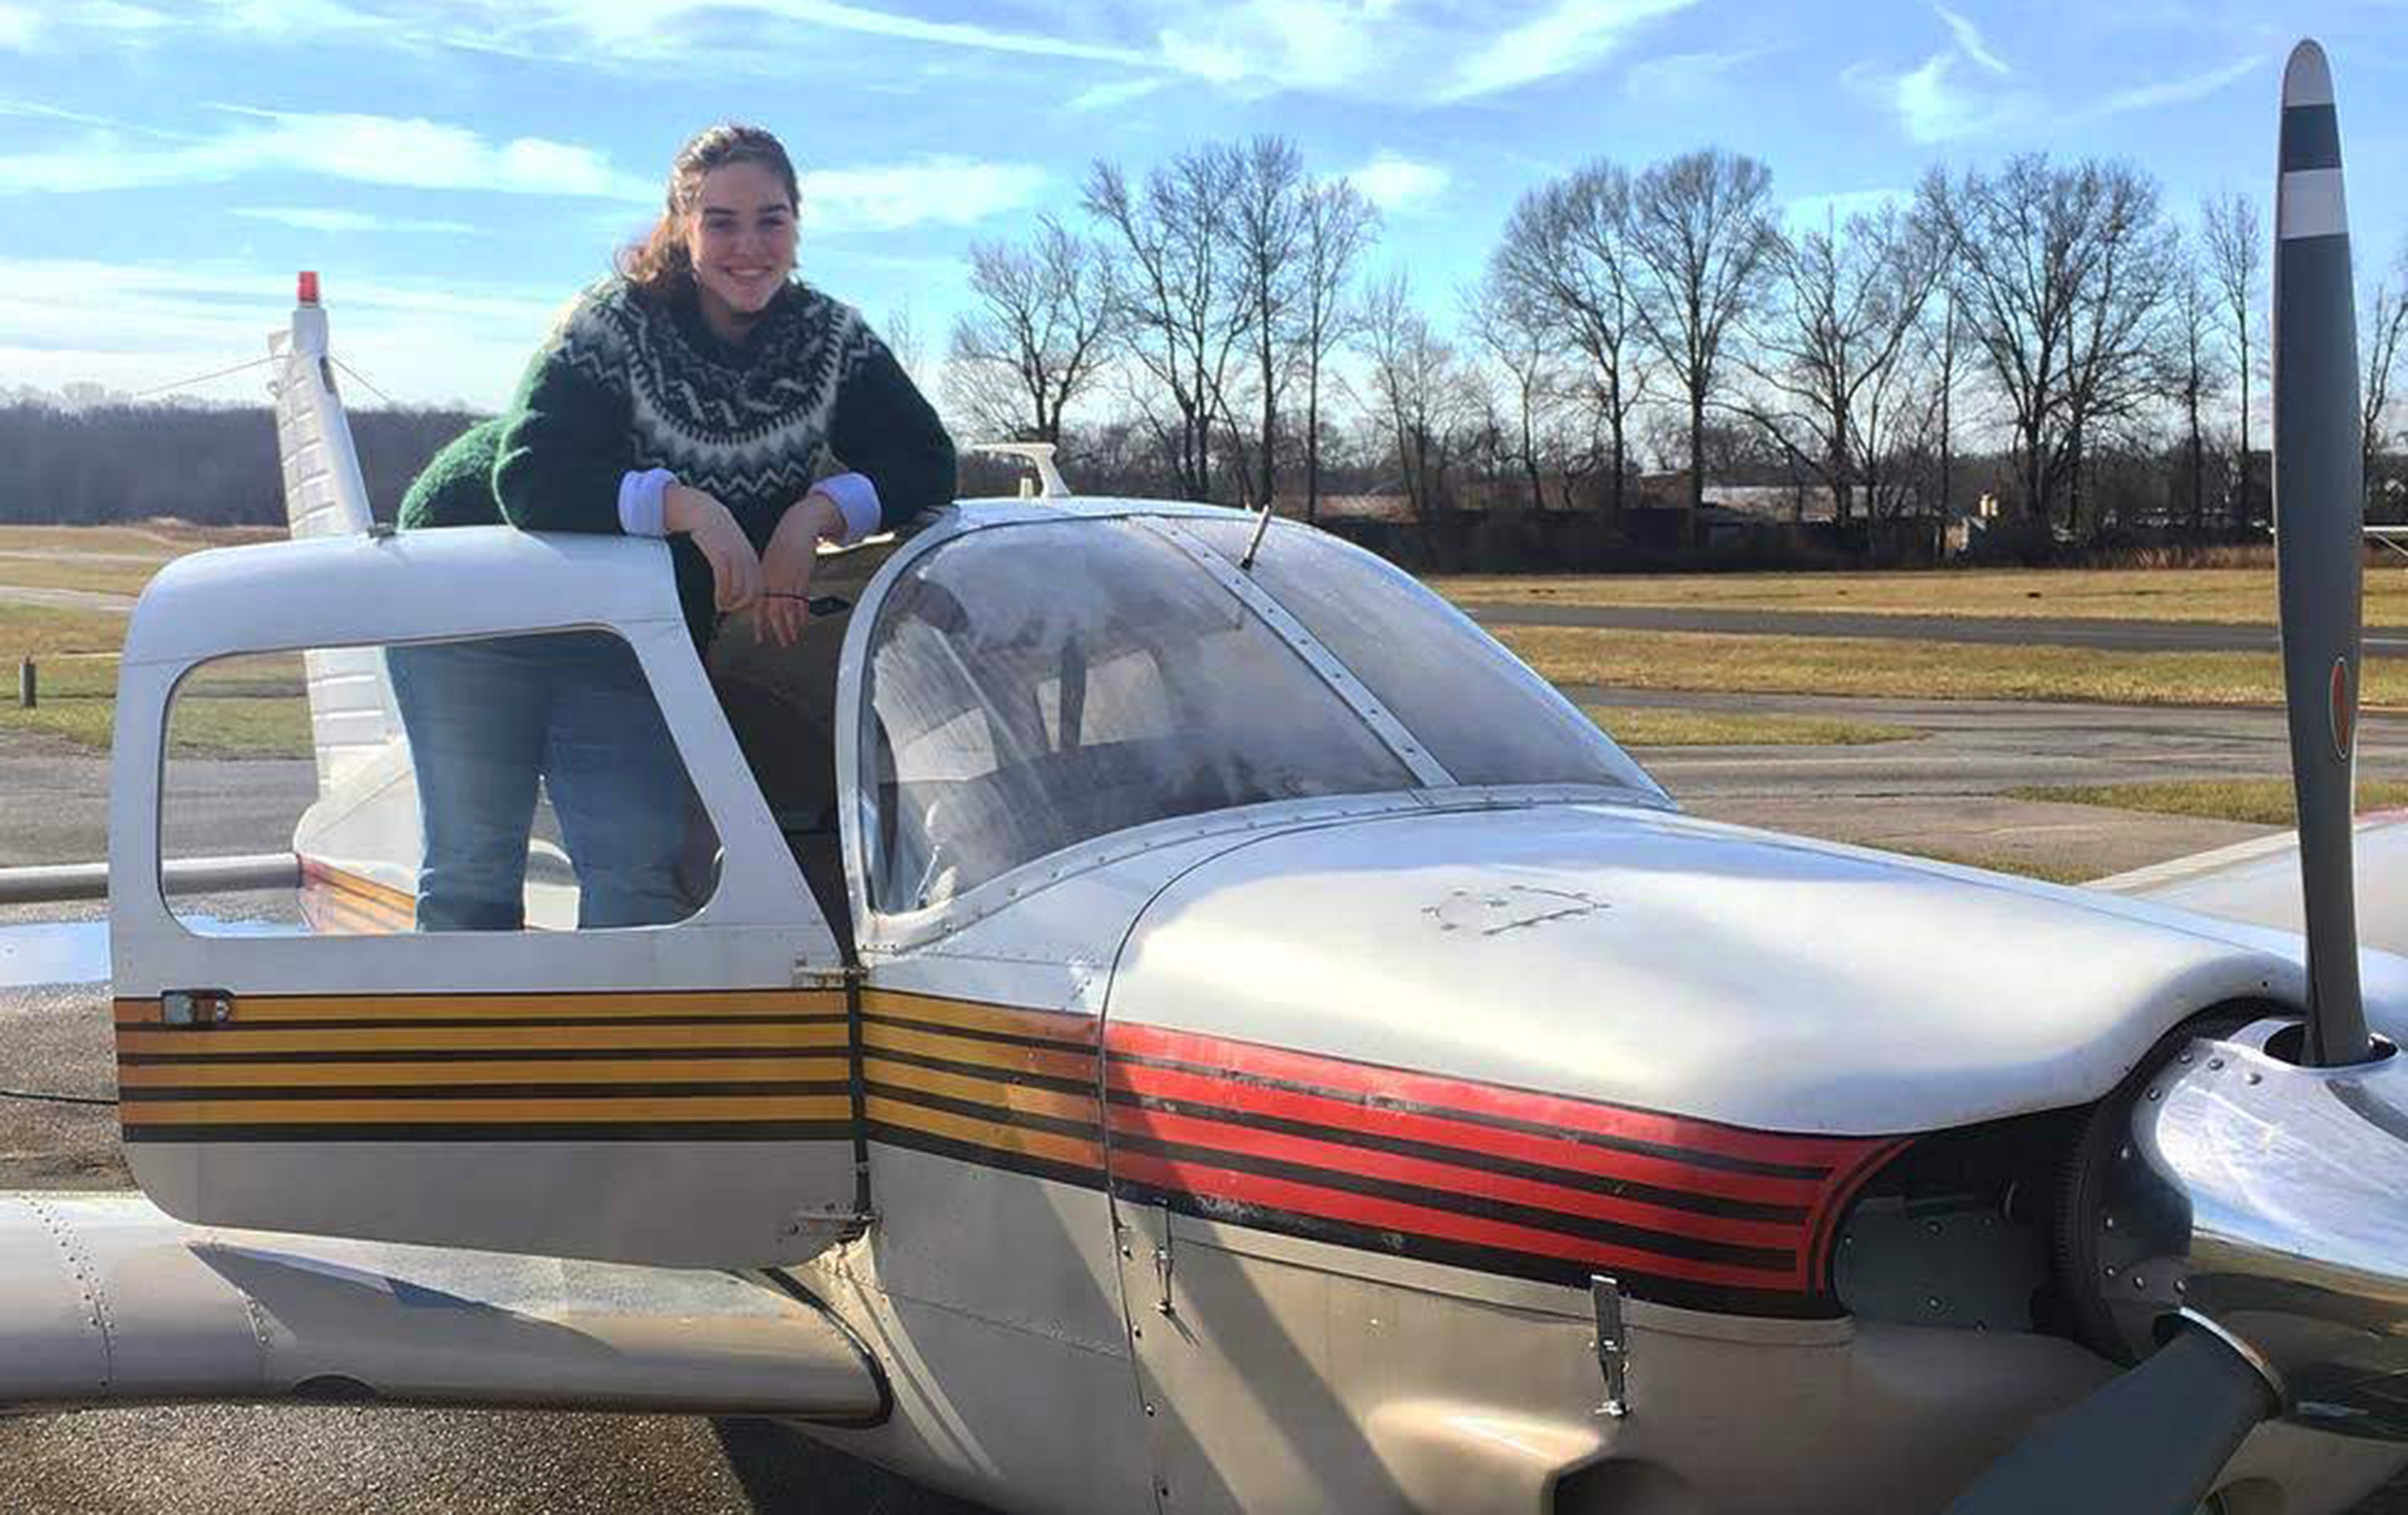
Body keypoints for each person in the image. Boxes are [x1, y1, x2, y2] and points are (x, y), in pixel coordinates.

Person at [391, 122, 957, 931]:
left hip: (627, 621)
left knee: (639, 868)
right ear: (680, 226)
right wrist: (685, 506)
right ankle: (467, 1058)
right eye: (720, 221)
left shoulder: (830, 339)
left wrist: (814, 515)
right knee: (475, 866)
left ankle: (622, 1057)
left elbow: (926, 458)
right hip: (478, 583)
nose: (748, 245)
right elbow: (532, 476)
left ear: (799, 225)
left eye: (771, 219)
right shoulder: (611, 324)